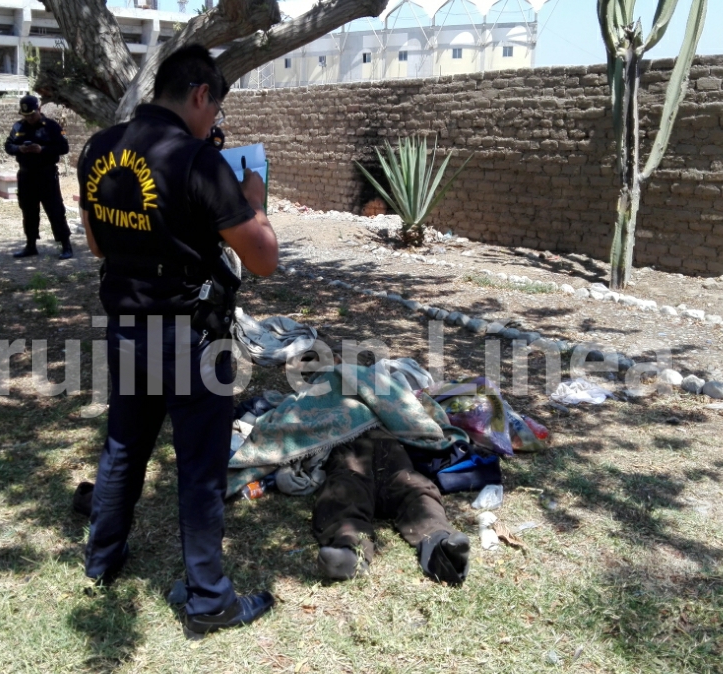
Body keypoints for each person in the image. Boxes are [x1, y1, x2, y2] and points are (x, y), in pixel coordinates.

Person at [76, 44, 279, 637]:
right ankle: (209, 600)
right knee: (199, 467)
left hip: (126, 327)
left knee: (123, 447)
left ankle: (102, 559)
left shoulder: (99, 147)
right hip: (194, 340)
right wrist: (255, 203)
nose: (214, 123)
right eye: (214, 110)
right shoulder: (199, 161)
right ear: (199, 95)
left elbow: (95, 244)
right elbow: (262, 260)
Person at [313, 429, 471, 585]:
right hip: (350, 444)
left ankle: (442, 547)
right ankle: (350, 550)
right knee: (345, 488)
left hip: (391, 451)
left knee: (417, 489)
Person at [4, 94, 73, 260]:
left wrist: (42, 149)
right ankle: (31, 245)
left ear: (39, 110)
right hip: (26, 175)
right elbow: (8, 145)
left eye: (32, 115)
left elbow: (64, 148)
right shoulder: (18, 127)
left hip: (46, 175)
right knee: (28, 211)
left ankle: (66, 245)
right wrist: (19, 149)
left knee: (55, 210)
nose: (29, 118)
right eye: (26, 115)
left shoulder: (52, 126)